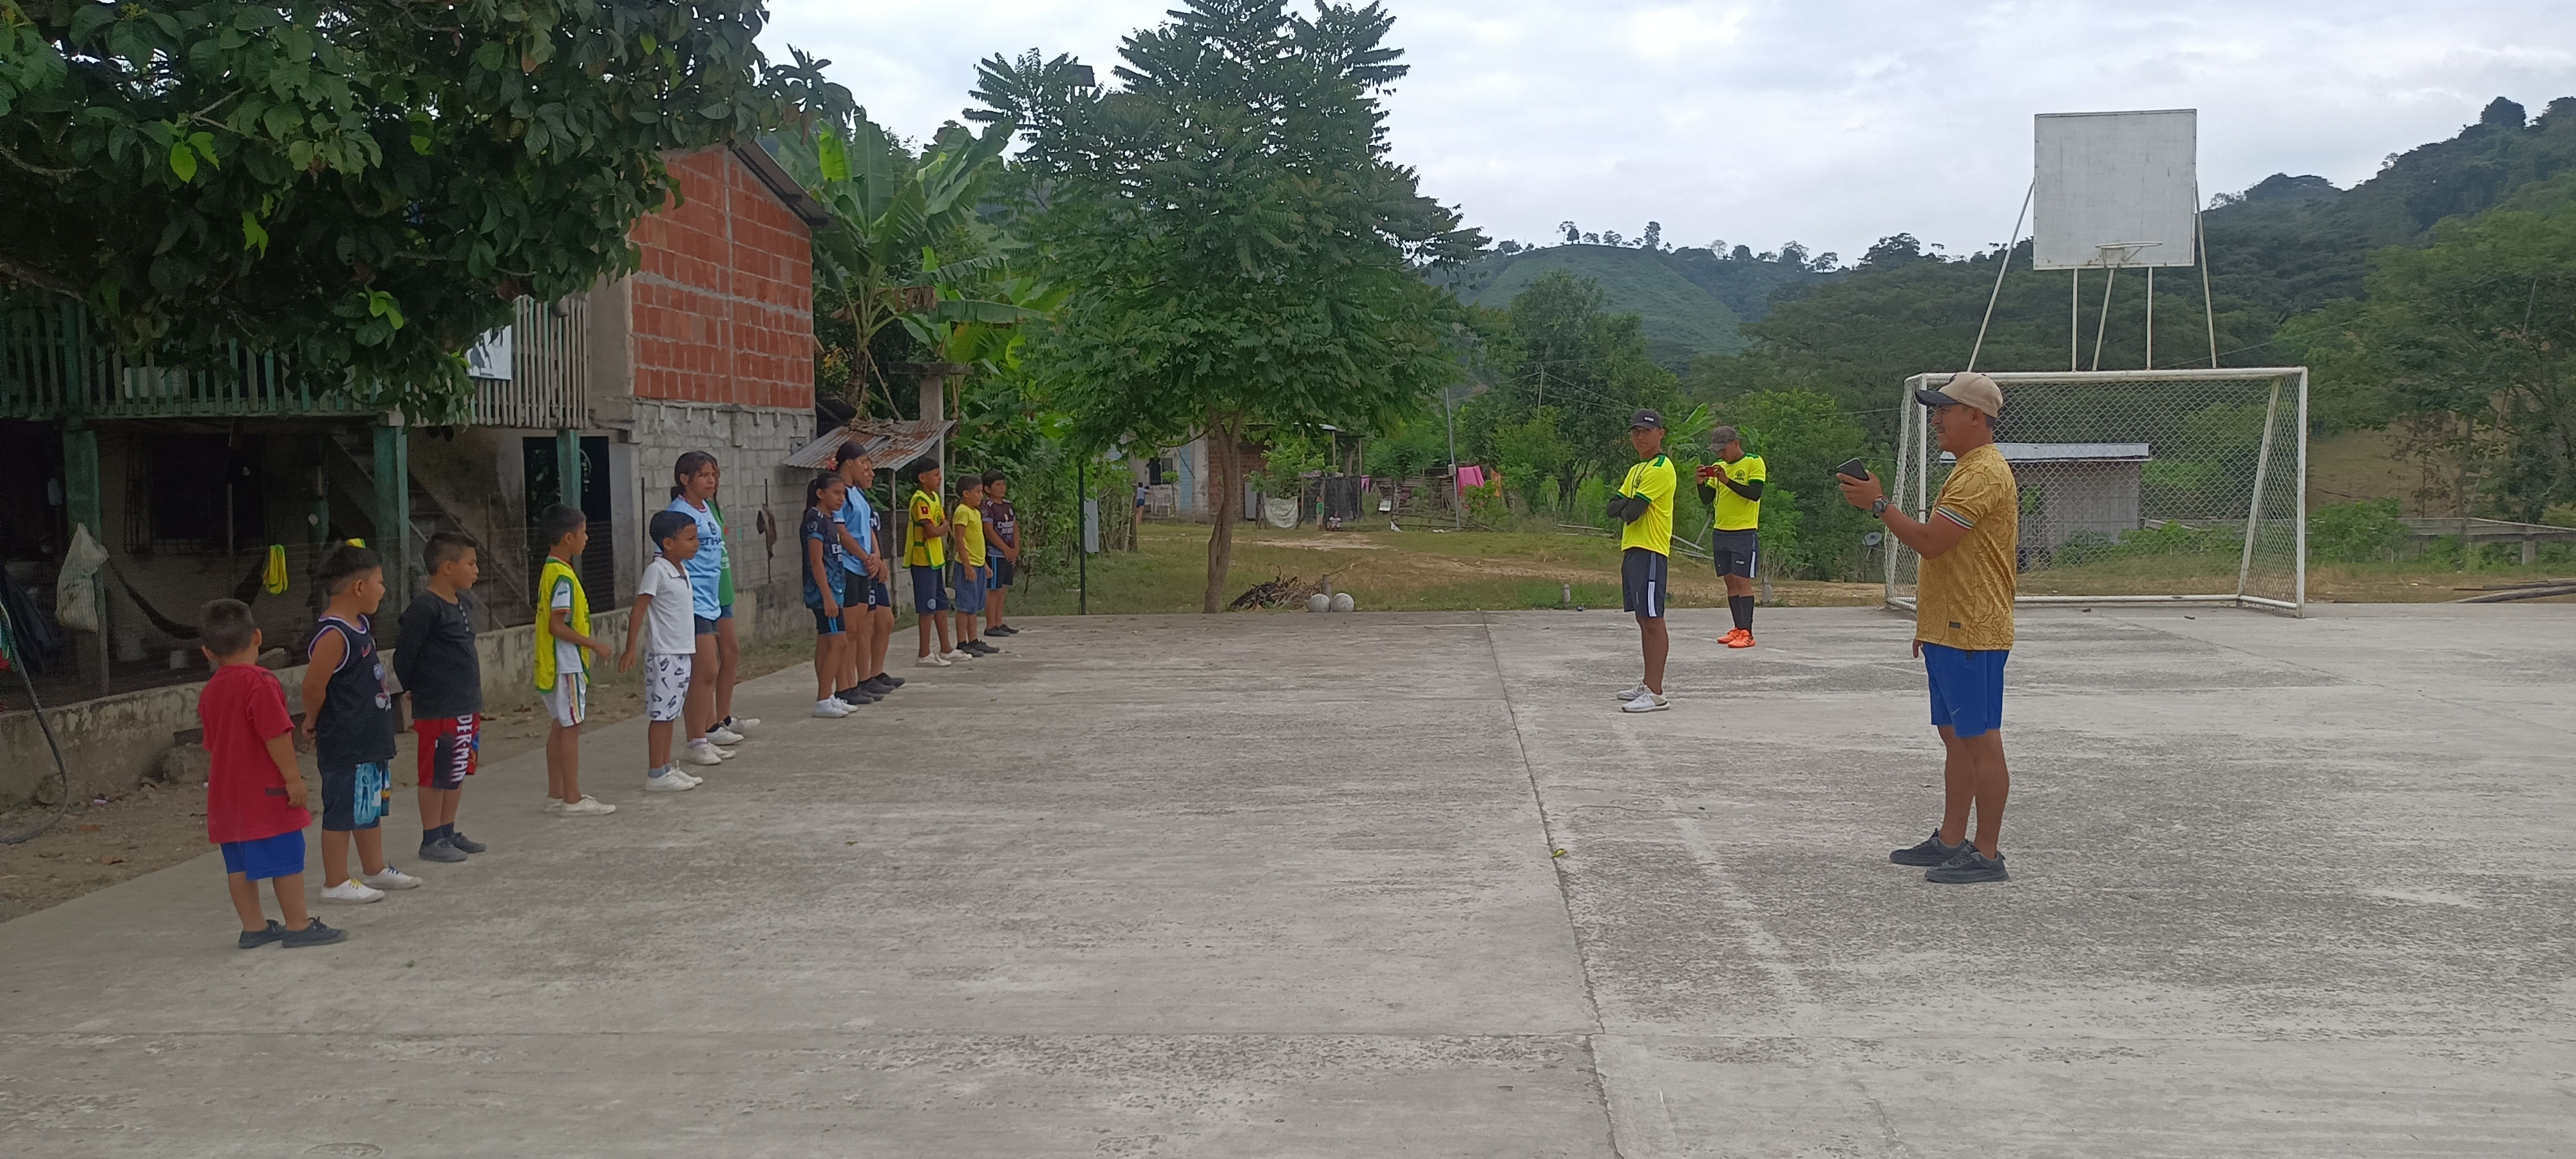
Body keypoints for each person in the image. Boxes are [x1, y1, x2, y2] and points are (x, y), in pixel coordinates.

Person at [1837, 370, 2018, 885]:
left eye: (1944, 409)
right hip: (1951, 625)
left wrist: (1879, 505)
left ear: (1975, 417)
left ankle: (1987, 852)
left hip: (1973, 627)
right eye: (1935, 410)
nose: (1936, 419)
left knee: (1980, 739)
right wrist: (1930, 623)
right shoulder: (1967, 469)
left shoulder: (1983, 473)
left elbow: (1932, 542)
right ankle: (1952, 839)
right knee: (1956, 737)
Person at [197, 598, 343, 947]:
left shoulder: (210, 690)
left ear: (207, 652)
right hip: (265, 792)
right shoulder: (260, 682)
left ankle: (254, 928)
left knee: (238, 865)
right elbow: (275, 733)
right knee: (286, 856)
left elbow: (213, 744)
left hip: (226, 795)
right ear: (258, 637)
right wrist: (293, 778)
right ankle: (298, 925)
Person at [299, 543, 422, 902]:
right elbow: (312, 687)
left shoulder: (360, 625)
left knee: (368, 804)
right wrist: (312, 721)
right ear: (359, 587)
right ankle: (335, 881)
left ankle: (374, 868)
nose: (384, 590)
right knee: (342, 809)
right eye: (380, 582)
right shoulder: (334, 635)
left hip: (370, 737)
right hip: (346, 739)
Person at [393, 531, 488, 864]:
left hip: (466, 704)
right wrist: (414, 688)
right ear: (447, 567)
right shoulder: (425, 607)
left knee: (457, 768)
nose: (476, 570)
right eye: (470, 563)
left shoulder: (463, 602)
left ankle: (448, 831)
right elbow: (405, 656)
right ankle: (431, 836)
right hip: (438, 706)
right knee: (435, 772)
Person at [535, 505, 617, 816]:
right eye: (583, 533)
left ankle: (557, 794)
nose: (587, 538)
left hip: (556, 662)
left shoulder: (552, 570)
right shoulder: (563, 577)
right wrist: (594, 645)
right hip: (566, 663)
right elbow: (557, 626)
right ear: (568, 538)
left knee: (561, 724)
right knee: (571, 726)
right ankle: (572, 798)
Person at [619, 511, 705, 793]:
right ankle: (656, 772)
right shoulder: (657, 571)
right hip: (665, 654)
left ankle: (666, 767)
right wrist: (631, 647)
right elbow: (640, 609)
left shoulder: (681, 570)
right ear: (668, 543)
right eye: (689, 539)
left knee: (671, 713)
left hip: (681, 652)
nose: (696, 544)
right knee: (661, 715)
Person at [667, 453, 743, 762]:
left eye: (713, 475)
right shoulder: (680, 514)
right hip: (692, 599)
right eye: (704, 475)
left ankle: (705, 734)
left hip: (712, 598)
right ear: (685, 480)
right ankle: (696, 741)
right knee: (706, 669)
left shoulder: (707, 508)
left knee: (710, 670)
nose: (711, 481)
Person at [1605, 410, 1676, 713]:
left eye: (1646, 431)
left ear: (1660, 433)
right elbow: (1613, 508)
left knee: (1653, 618)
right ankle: (1648, 683)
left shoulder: (1661, 468)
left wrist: (1628, 507)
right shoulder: (1637, 470)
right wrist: (1628, 506)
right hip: (1633, 548)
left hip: (1651, 548)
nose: (1640, 437)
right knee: (1642, 618)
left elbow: (1632, 513)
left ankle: (1657, 692)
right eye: (1636, 432)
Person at [828, 444, 900, 706]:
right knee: (849, 632)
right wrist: (863, 556)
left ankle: (859, 681)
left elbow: (867, 528)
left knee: (860, 629)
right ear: (849, 463)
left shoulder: (857, 493)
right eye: (863, 462)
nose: (867, 468)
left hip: (863, 566)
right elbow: (842, 532)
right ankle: (845, 686)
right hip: (849, 566)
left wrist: (875, 556)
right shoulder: (839, 493)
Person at [1693, 424, 1766, 648]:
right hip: (1721, 530)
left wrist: (1727, 481)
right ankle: (1737, 628)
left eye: (1723, 450)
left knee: (1742, 580)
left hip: (1743, 530)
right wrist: (1700, 483)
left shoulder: (1754, 462)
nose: (1720, 454)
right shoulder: (1719, 467)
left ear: (1736, 444)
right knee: (1730, 580)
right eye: (1717, 451)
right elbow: (1707, 499)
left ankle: (1748, 632)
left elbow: (1754, 494)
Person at [802, 473, 858, 718]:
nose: (841, 498)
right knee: (839, 642)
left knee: (828, 643)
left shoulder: (831, 519)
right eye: (836, 493)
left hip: (836, 589)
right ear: (820, 494)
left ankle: (829, 695)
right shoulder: (815, 520)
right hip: (824, 592)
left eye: (843, 494)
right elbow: (816, 561)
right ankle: (823, 699)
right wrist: (826, 595)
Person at [904, 458, 961, 666]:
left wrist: (941, 528)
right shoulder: (920, 500)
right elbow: (933, 530)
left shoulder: (935, 498)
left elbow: (942, 524)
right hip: (922, 559)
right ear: (923, 478)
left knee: (941, 602)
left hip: (935, 558)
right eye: (936, 475)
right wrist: (942, 528)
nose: (940, 479)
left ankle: (946, 648)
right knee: (927, 606)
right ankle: (924, 653)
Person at [949, 474, 998, 657]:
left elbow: (976, 542)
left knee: (974, 605)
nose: (981, 496)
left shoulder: (976, 513)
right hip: (967, 565)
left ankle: (974, 640)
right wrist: (967, 566)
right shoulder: (962, 511)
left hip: (978, 564)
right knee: (965, 606)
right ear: (966, 493)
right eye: (977, 492)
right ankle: (962, 642)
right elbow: (960, 540)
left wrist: (984, 564)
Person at [981, 469, 1021, 637]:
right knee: (994, 590)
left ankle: (999, 622)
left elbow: (1014, 528)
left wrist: (1016, 549)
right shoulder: (987, 507)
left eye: (1003, 484)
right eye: (998, 485)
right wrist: (1005, 549)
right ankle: (991, 625)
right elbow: (989, 531)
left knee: (1003, 589)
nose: (1002, 488)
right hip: (995, 553)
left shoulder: (1008, 505)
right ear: (987, 489)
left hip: (1009, 554)